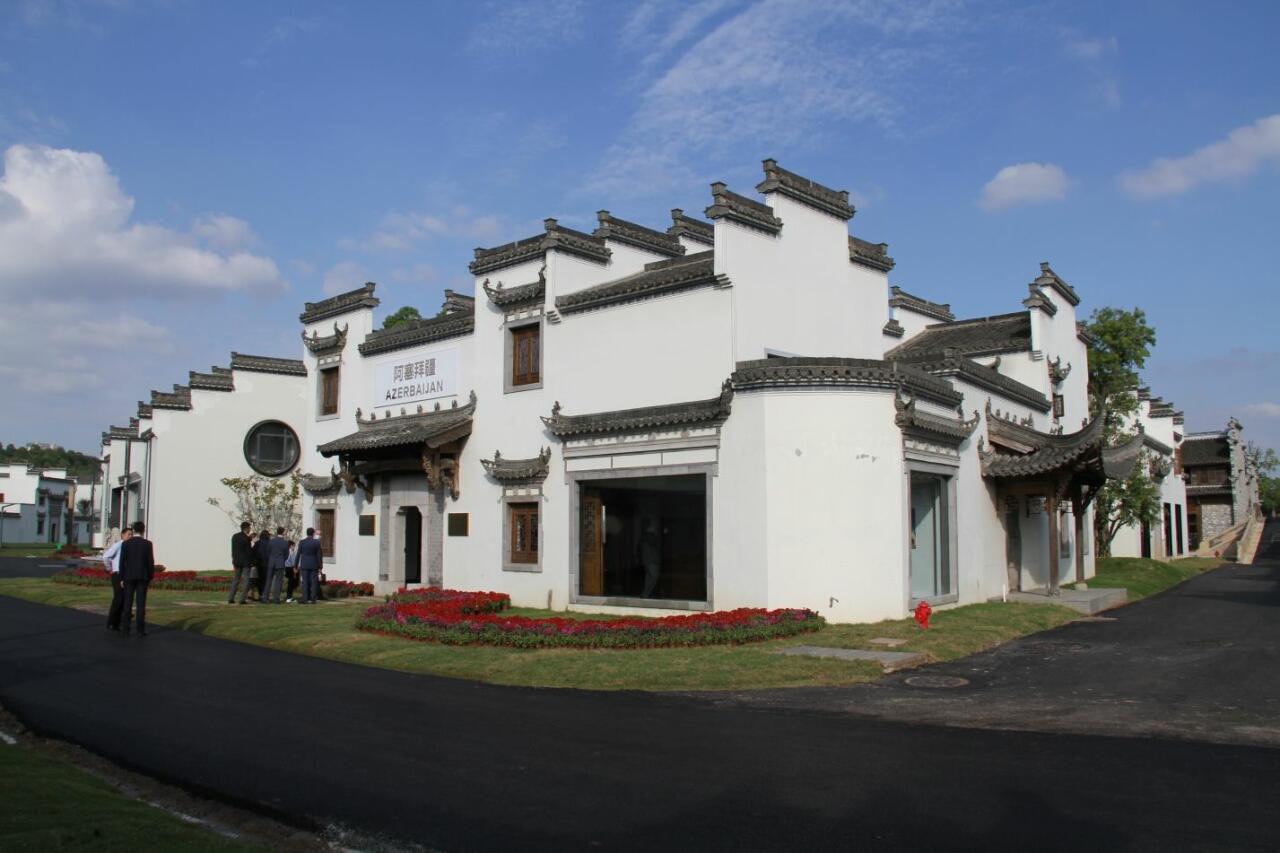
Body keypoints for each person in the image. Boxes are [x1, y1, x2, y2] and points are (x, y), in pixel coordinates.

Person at [118, 521, 155, 636]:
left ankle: (125, 628)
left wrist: (121, 577)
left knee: (128, 603)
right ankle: (140, 629)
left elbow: (122, 562)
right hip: (142, 576)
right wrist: (150, 576)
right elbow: (150, 562)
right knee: (141, 604)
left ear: (133, 530)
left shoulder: (126, 544)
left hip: (129, 576)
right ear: (143, 530)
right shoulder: (147, 544)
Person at [102, 527, 132, 631]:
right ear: (123, 535)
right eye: (128, 534)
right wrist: (109, 568)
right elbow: (106, 556)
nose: (130, 536)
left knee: (124, 599)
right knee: (118, 598)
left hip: (126, 575)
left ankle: (117, 623)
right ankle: (111, 622)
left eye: (131, 534)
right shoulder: (118, 545)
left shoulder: (129, 547)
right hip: (118, 574)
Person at [228, 522, 253, 605]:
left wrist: (233, 559)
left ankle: (231, 598)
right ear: (246, 528)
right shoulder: (247, 538)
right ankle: (242, 599)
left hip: (237, 561)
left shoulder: (235, 536)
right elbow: (249, 551)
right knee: (246, 580)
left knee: (236, 579)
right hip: (246, 562)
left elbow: (233, 549)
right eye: (249, 528)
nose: (250, 529)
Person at [296, 527, 323, 604]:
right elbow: (319, 555)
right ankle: (313, 598)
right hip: (314, 564)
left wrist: (295, 565)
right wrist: (320, 566)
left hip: (304, 564)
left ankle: (305, 598)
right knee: (314, 582)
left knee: (305, 582)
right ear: (313, 533)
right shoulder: (316, 542)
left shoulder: (302, 542)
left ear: (307, 533)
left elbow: (298, 554)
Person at [264, 526, 290, 604]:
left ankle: (265, 598)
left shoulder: (271, 541)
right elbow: (286, 554)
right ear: (283, 532)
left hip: (271, 562)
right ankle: (276, 599)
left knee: (268, 580)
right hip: (280, 562)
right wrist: (282, 560)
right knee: (278, 581)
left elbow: (267, 552)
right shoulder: (285, 542)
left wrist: (271, 559)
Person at [637, 517, 662, 598]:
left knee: (649, 578)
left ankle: (645, 594)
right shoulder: (650, 535)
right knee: (654, 577)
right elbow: (654, 545)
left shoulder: (644, 536)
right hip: (651, 560)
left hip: (648, 560)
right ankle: (646, 593)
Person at [252, 529, 272, 602]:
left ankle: (261, 594)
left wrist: (254, 562)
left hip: (259, 564)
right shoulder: (270, 543)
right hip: (268, 563)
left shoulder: (257, 543)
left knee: (260, 580)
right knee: (267, 580)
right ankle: (266, 595)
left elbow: (253, 553)